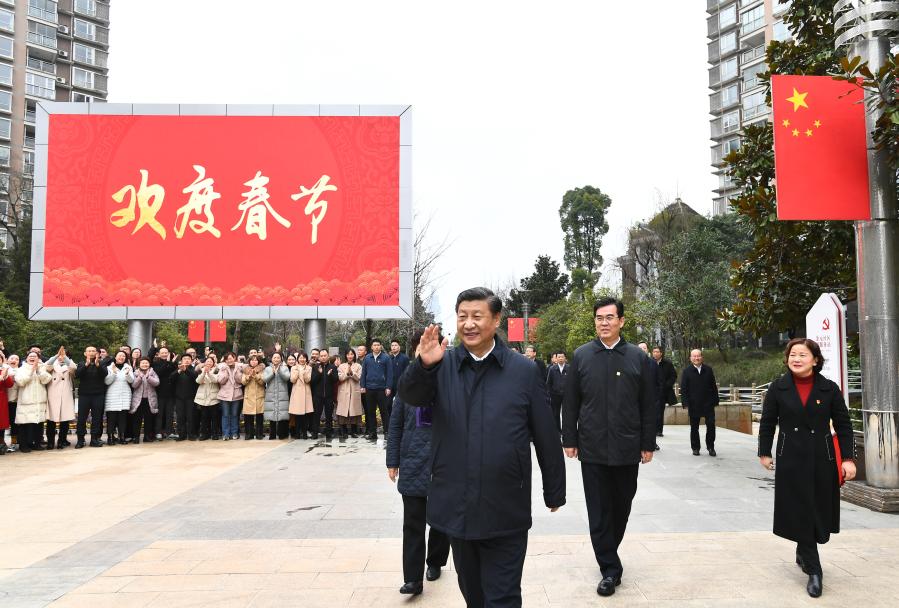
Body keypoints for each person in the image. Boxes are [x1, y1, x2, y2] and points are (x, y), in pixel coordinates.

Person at [398, 287, 565, 608]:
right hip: (456, 504)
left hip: (506, 505)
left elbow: (545, 433)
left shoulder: (523, 371)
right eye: (462, 317)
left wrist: (554, 490)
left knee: (502, 597)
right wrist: (423, 365)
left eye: (477, 316)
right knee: (473, 593)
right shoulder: (440, 366)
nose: (469, 324)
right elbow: (411, 397)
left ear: (496, 319)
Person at [562, 296, 657, 597]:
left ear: (621, 321)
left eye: (609, 317)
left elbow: (649, 404)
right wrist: (569, 439)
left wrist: (648, 442)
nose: (603, 322)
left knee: (621, 506)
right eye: (599, 318)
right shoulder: (581, 356)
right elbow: (571, 402)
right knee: (599, 509)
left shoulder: (637, 358)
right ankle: (609, 568)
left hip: (628, 446)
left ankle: (608, 551)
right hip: (592, 447)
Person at [758, 338, 856, 599]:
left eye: (802, 354)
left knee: (817, 508)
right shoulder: (778, 388)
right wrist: (764, 452)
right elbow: (767, 422)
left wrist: (848, 459)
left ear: (815, 359)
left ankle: (803, 550)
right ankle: (815, 570)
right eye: (792, 354)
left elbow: (844, 426)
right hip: (790, 457)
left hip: (822, 459)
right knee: (801, 506)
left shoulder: (829, 389)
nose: (796, 359)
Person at [386, 329, 451, 596]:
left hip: (443, 463)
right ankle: (412, 579)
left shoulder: (449, 382)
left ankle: (435, 561)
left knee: (440, 521)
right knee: (412, 523)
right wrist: (393, 460)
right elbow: (395, 424)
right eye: (419, 350)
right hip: (413, 461)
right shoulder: (406, 384)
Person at [680, 349, 720, 457]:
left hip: (708, 403)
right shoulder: (686, 371)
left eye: (698, 356)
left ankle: (710, 447)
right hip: (694, 404)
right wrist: (685, 403)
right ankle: (695, 447)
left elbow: (713, 386)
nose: (696, 358)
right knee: (694, 427)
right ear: (690, 358)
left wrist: (716, 400)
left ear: (702, 357)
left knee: (711, 425)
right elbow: (684, 389)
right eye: (694, 356)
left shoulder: (708, 370)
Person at [14, 352, 51, 452]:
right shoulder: (21, 369)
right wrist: (31, 372)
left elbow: (47, 380)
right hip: (26, 400)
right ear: (26, 358)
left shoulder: (42, 368)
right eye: (30, 356)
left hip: (40, 400)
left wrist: (38, 371)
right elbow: (20, 382)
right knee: (25, 424)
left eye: (35, 356)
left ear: (38, 359)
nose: (32, 358)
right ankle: (24, 445)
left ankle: (37, 443)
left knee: (38, 424)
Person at [361, 339, 394, 442]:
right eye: (374, 345)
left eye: (378, 345)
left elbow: (390, 374)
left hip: (381, 389)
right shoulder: (367, 358)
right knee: (370, 412)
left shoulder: (386, 358)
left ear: (381, 346)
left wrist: (388, 387)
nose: (376, 347)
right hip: (369, 389)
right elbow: (364, 373)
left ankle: (387, 433)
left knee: (384, 412)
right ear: (371, 347)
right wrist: (363, 386)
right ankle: (372, 433)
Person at [45, 346, 76, 450]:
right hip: (53, 395)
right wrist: (56, 355)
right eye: (60, 355)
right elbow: (47, 366)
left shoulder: (70, 365)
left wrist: (65, 357)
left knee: (64, 420)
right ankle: (50, 442)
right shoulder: (52, 365)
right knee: (51, 420)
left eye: (64, 355)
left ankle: (61, 441)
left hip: (66, 394)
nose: (61, 357)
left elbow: (73, 369)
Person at [75, 347, 106, 448]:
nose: (92, 353)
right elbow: (78, 374)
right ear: (85, 353)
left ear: (97, 353)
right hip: (84, 395)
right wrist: (86, 365)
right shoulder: (81, 363)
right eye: (89, 351)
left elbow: (105, 374)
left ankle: (94, 439)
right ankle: (80, 439)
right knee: (81, 418)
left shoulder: (101, 363)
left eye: (93, 351)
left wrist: (97, 365)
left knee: (97, 418)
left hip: (98, 394)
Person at [104, 351, 134, 445]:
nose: (121, 357)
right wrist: (113, 372)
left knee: (123, 418)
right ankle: (110, 438)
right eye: (119, 355)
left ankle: (122, 437)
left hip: (125, 395)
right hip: (112, 396)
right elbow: (107, 382)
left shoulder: (128, 367)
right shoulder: (109, 367)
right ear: (115, 357)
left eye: (123, 356)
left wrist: (128, 374)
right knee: (111, 419)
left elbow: (131, 381)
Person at [150, 344, 177, 440]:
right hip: (159, 392)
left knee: (169, 413)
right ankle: (158, 432)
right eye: (163, 353)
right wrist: (167, 362)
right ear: (159, 354)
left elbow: (174, 375)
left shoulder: (173, 363)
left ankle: (168, 432)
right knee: (160, 414)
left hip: (171, 393)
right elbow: (159, 373)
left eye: (166, 352)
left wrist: (172, 363)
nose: (165, 354)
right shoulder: (155, 363)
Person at [637, 342, 661, 452]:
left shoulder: (653, 363)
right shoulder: (632, 362)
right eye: (640, 348)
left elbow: (658, 381)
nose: (642, 350)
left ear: (647, 350)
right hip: (636, 398)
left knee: (651, 422)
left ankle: (652, 443)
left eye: (644, 348)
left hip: (651, 398)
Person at [130, 357, 160, 443]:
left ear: (149, 364)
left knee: (149, 419)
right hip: (138, 400)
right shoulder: (135, 373)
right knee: (137, 420)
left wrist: (148, 377)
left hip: (150, 400)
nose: (145, 364)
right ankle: (136, 437)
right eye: (143, 363)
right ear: (139, 364)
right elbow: (134, 385)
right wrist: (140, 377)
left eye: (146, 363)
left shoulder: (152, 372)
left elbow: (157, 383)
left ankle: (147, 437)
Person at [336, 348, 363, 439]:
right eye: (348, 354)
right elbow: (340, 378)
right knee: (344, 412)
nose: (350, 356)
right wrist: (347, 373)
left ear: (354, 356)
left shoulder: (358, 366)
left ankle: (354, 431)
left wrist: (352, 373)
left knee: (354, 411)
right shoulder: (341, 366)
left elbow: (359, 378)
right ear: (346, 356)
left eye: (352, 354)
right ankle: (344, 431)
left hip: (354, 391)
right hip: (344, 391)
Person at [310, 349, 337, 440]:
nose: (323, 357)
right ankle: (315, 433)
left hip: (329, 396)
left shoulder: (332, 367)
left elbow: (336, 380)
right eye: (321, 356)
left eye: (325, 355)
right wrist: (319, 373)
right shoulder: (315, 367)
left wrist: (330, 375)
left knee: (329, 415)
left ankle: (329, 433)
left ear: (328, 356)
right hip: (318, 396)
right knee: (316, 415)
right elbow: (312, 381)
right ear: (319, 357)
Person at [263, 352, 290, 439]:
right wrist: (273, 373)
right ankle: (272, 435)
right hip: (271, 395)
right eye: (274, 357)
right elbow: (265, 379)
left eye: (278, 358)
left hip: (282, 395)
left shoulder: (285, 368)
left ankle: (282, 434)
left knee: (282, 415)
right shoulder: (267, 369)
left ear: (281, 359)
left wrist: (279, 371)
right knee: (272, 415)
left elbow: (287, 378)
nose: (276, 359)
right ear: (272, 359)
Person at [217, 352, 244, 440]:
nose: (230, 360)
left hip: (236, 394)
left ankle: (234, 433)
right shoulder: (222, 368)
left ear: (234, 358)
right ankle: (225, 434)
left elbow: (240, 380)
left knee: (235, 415)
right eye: (228, 358)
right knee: (225, 415)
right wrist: (226, 372)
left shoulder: (239, 367)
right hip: (225, 395)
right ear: (225, 360)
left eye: (231, 358)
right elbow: (221, 381)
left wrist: (236, 371)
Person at [651, 346, 677, 438]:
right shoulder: (649, 362)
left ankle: (659, 430)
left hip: (663, 392)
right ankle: (652, 429)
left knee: (660, 412)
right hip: (651, 392)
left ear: (661, 353)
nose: (655, 354)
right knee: (651, 412)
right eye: (654, 352)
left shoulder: (668, 364)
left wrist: (666, 386)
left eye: (657, 352)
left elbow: (673, 376)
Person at [289, 352, 314, 439]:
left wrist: (304, 372)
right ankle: (297, 433)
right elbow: (292, 380)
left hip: (306, 393)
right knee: (297, 415)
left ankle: (304, 433)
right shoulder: (293, 368)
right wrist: (297, 372)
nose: (302, 359)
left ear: (306, 359)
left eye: (304, 358)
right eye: (300, 358)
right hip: (297, 393)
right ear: (297, 359)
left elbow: (308, 380)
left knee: (305, 415)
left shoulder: (309, 368)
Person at [195, 357, 221, 441]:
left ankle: (215, 434)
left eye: (211, 361)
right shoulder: (200, 370)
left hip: (213, 397)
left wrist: (209, 373)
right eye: (207, 361)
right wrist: (204, 373)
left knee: (214, 417)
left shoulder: (217, 370)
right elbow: (198, 381)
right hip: (203, 398)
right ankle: (204, 434)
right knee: (204, 417)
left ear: (213, 363)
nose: (209, 362)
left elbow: (215, 380)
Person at [240, 354, 266, 440]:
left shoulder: (262, 370)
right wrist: (249, 376)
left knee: (259, 416)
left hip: (259, 396)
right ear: (249, 361)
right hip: (248, 397)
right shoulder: (245, 370)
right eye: (252, 360)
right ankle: (249, 434)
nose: (253, 362)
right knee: (248, 417)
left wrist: (256, 376)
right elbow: (243, 382)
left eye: (255, 360)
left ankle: (259, 434)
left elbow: (263, 382)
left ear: (258, 361)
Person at [546, 351, 568, 432]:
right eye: (559, 357)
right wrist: (549, 395)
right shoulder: (552, 369)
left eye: (562, 357)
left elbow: (573, 382)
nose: (561, 358)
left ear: (565, 358)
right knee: (555, 413)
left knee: (566, 413)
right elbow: (548, 383)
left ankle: (566, 430)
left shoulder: (569, 368)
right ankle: (557, 431)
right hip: (555, 394)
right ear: (556, 358)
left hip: (567, 395)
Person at [5, 354, 20, 451]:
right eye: (12, 358)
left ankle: (14, 443)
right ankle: (2, 443)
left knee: (14, 424)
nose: (14, 360)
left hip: (15, 402)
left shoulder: (21, 371)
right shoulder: (3, 369)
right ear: (7, 360)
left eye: (17, 359)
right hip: (3, 401)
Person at [0, 353, 14, 454]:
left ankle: (1, 443)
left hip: (1, 399)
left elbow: (10, 384)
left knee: (1, 423)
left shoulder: (3, 371)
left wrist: (5, 374)